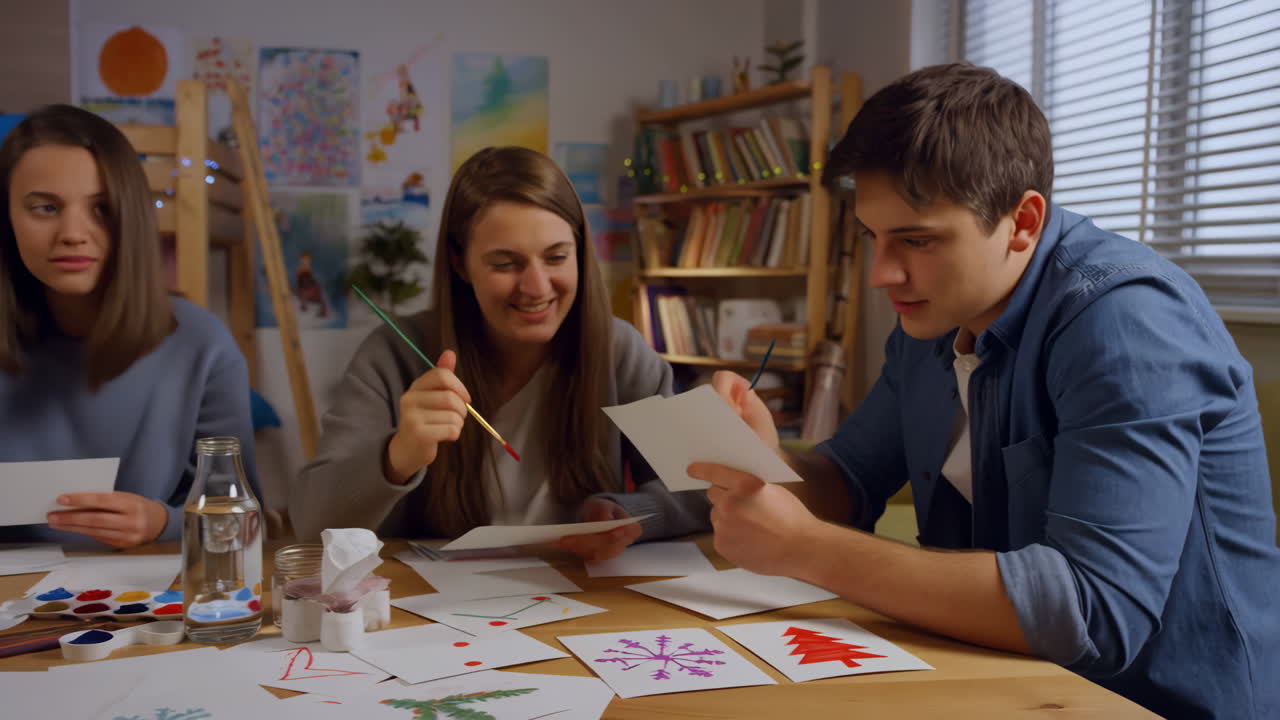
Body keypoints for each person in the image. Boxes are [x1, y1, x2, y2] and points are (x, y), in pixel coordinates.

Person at [692, 64, 1279, 719]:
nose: (883, 274)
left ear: (1022, 221)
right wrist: (767, 464)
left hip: (1158, 704)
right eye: (871, 237)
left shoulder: (1126, 323)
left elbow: (1096, 610)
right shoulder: (933, 318)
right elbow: (849, 479)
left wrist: (804, 547)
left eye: (917, 240)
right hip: (997, 679)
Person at [293, 146, 708, 560]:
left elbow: (702, 488)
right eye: (506, 263)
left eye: (557, 257)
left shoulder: (619, 350)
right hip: (435, 610)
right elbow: (312, 525)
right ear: (459, 263)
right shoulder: (394, 354)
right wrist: (397, 457)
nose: (537, 287)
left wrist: (627, 513)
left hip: (586, 601)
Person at [0, 105, 258, 548]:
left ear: (132, 216)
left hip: (143, 593)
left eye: (101, 208)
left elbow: (244, 523)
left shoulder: (201, 344)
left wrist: (162, 523)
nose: (73, 233)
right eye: (45, 207)